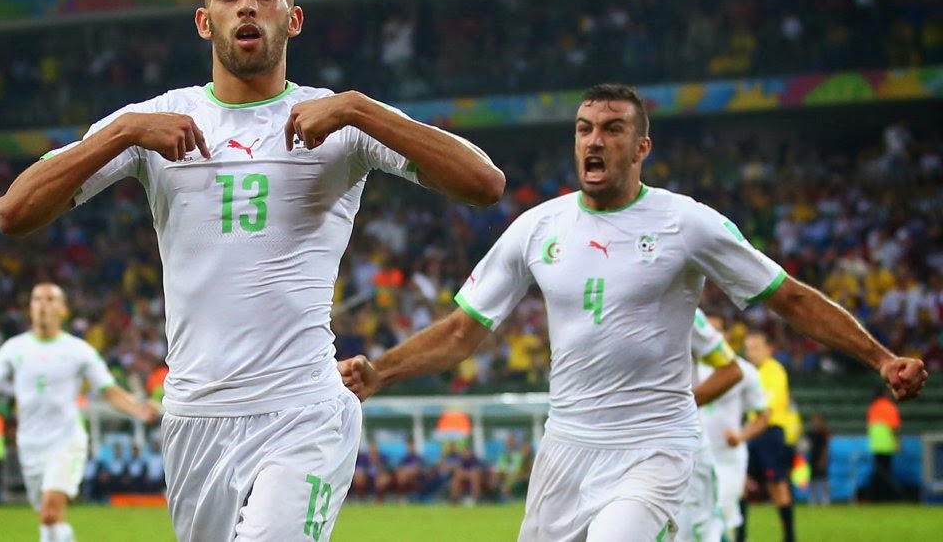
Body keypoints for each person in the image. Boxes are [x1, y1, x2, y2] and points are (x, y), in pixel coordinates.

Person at [0, 0, 504, 542]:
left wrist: (360, 110)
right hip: (195, 416)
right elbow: (14, 213)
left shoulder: (338, 119)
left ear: (293, 18)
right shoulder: (155, 120)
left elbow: (484, 183)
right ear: (204, 21)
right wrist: (121, 133)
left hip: (304, 408)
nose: (247, 6)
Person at [339, 83, 927, 542]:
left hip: (654, 444)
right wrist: (381, 372)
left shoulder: (687, 224)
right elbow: (461, 331)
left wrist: (880, 358)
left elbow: (790, 297)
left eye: (613, 129)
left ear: (642, 147)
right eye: (584, 129)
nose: (594, 141)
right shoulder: (538, 228)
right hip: (566, 447)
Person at [0, 283, 159, 542]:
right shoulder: (13, 349)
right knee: (49, 520)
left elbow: (109, 390)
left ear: (63, 309)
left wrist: (138, 410)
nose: (43, 305)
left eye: (50, 299)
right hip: (30, 443)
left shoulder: (78, 350)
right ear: (30, 308)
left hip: (66, 440)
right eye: (37, 299)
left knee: (50, 510)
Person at [698, 314, 770, 541]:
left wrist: (740, 436)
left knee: (718, 519)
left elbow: (763, 416)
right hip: (693, 456)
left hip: (727, 459)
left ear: (727, 335)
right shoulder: (688, 367)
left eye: (717, 330)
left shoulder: (745, 371)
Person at [675, 309, 744, 542]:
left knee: (697, 524)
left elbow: (732, 372)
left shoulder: (683, 309)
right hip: (618, 443)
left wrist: (669, 408)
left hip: (691, 447)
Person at [741, 330, 796, 542]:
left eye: (756, 348)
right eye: (748, 348)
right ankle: (740, 536)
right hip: (753, 433)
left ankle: (789, 537)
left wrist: (743, 434)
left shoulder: (774, 371)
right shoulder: (750, 372)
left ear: (769, 349)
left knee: (777, 485)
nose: (751, 353)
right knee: (742, 484)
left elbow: (767, 410)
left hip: (770, 433)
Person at [866, 387, 901, 502]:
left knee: (879, 471)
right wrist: (897, 443)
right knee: (886, 471)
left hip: (875, 444)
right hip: (887, 443)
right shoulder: (890, 407)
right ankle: (885, 496)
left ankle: (874, 496)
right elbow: (894, 428)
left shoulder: (873, 407)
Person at [806, 411, 831, 506]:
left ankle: (825, 498)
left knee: (824, 478)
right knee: (813, 478)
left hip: (821, 457)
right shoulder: (810, 433)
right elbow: (809, 445)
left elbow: (826, 447)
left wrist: (824, 459)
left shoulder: (824, 432)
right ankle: (813, 497)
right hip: (813, 457)